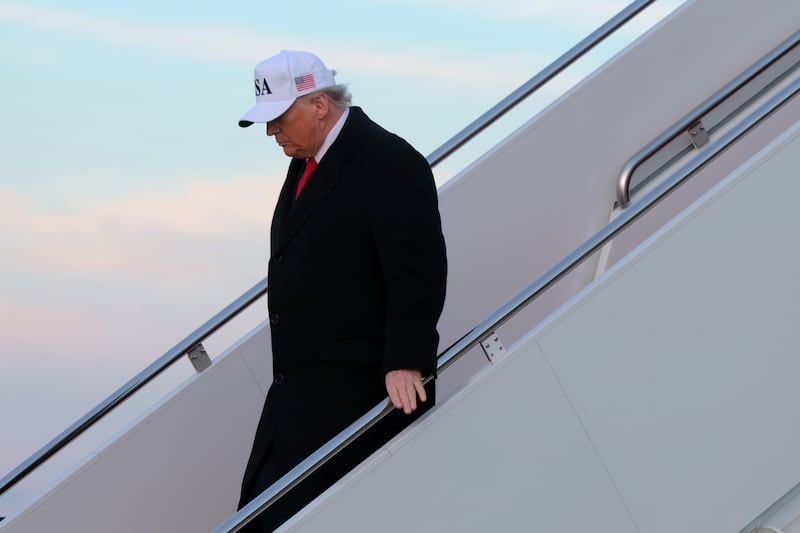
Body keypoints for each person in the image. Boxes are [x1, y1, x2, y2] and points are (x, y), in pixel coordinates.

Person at [236, 50, 447, 531]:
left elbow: (418, 269)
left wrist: (406, 359)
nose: (273, 133)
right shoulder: (307, 163)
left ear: (318, 105)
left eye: (279, 119)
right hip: (297, 400)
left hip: (358, 397)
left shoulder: (389, 161)